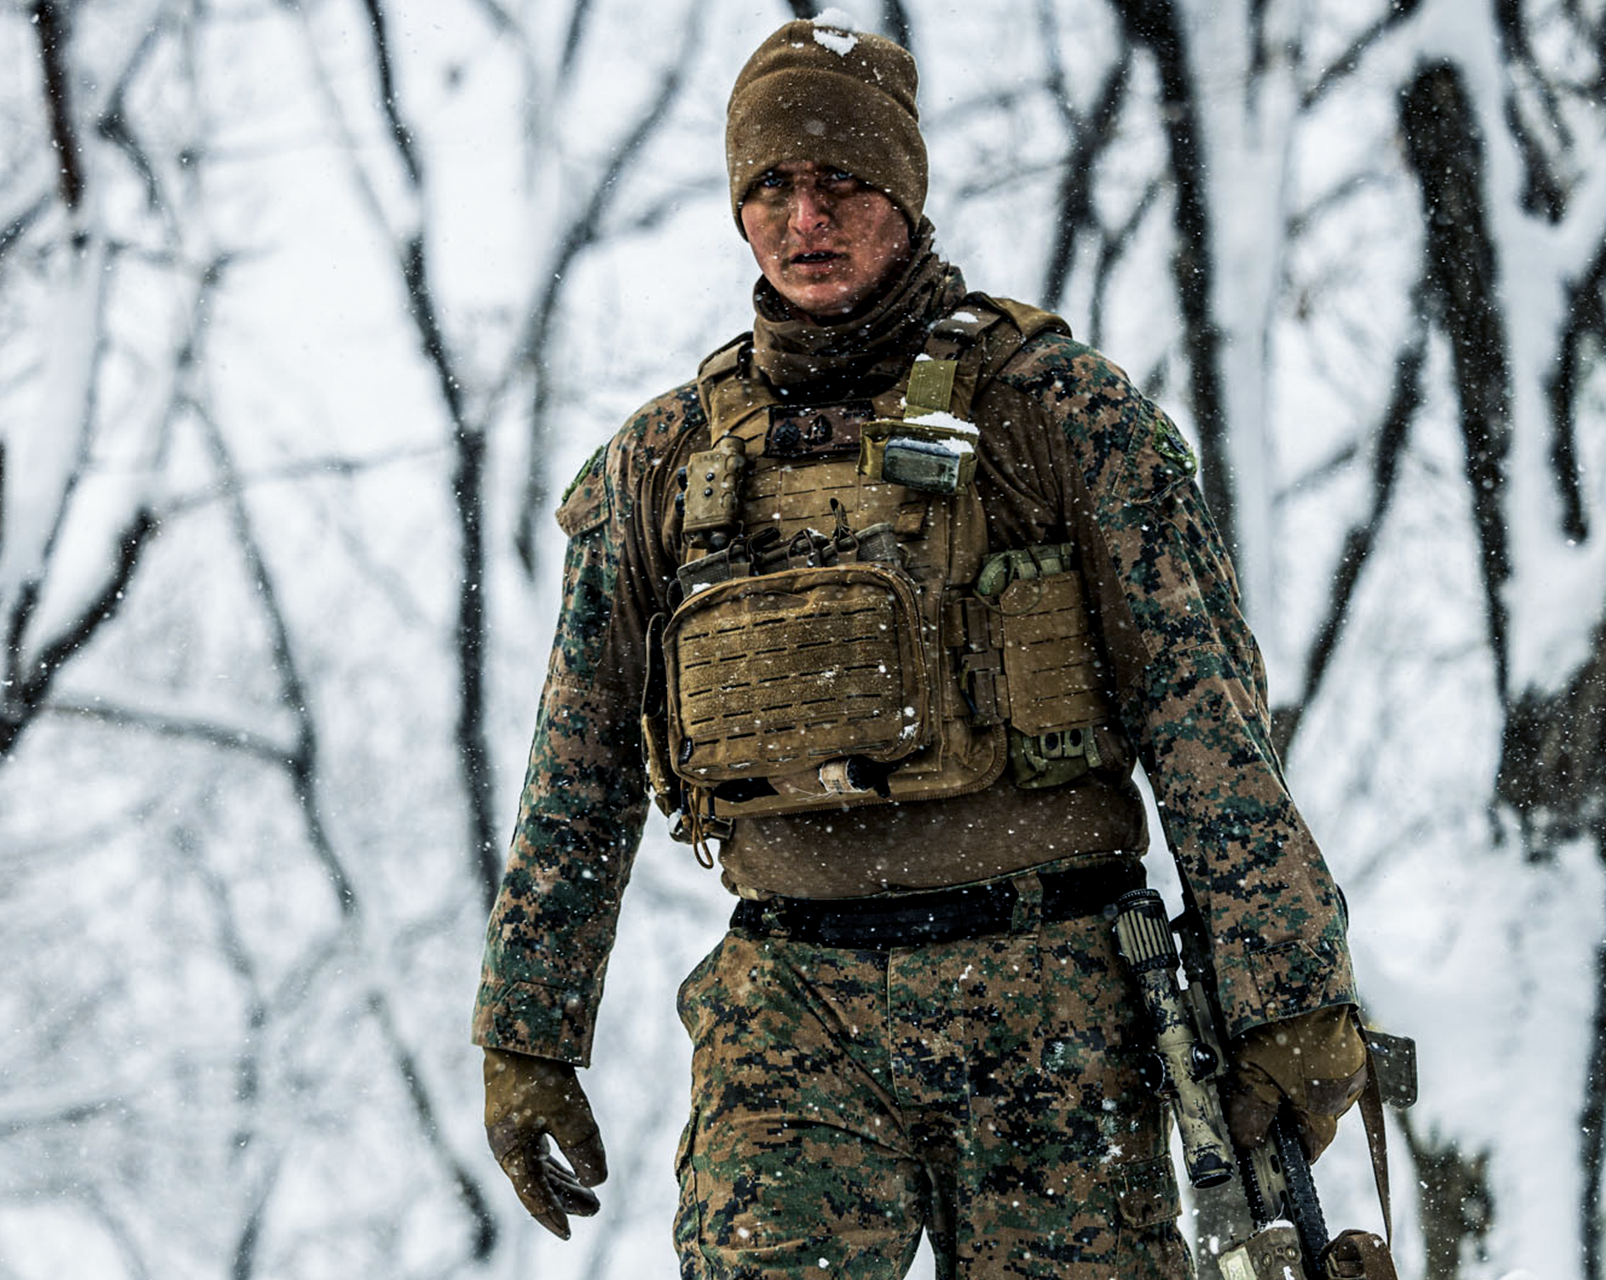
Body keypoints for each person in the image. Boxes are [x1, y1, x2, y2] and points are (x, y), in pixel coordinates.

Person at [474, 14, 1368, 1279]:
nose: (805, 218)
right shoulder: (665, 462)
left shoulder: (1056, 415)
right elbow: (580, 760)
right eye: (772, 187)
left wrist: (1288, 990)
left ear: (903, 191)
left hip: (1052, 994)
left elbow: (1202, 711)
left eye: (841, 180)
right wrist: (528, 1030)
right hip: (790, 1009)